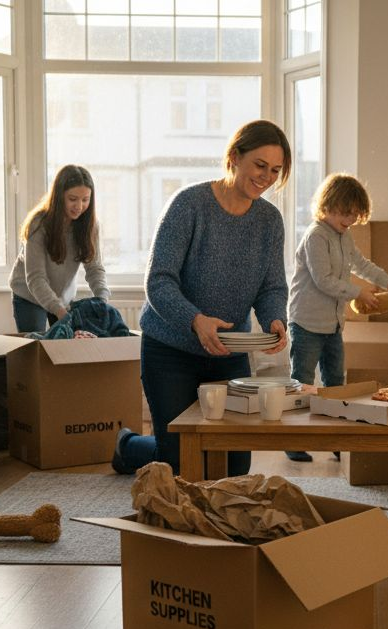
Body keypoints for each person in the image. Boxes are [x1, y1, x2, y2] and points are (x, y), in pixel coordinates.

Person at [112, 120, 291, 477]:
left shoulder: (270, 221)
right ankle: (129, 447)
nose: (267, 177)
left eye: (275, 170)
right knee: (180, 460)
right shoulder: (189, 205)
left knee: (235, 467)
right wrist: (195, 320)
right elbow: (159, 281)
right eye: (260, 165)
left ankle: (135, 446)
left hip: (229, 353)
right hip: (171, 350)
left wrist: (275, 319)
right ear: (235, 156)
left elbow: (272, 286)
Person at [283, 173, 388, 461]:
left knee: (336, 383)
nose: (350, 220)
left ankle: (335, 438)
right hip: (306, 324)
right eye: (346, 213)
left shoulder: (344, 236)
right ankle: (293, 440)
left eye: (355, 215)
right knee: (302, 382)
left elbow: (361, 264)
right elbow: (323, 280)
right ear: (328, 205)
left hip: (333, 326)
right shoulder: (316, 236)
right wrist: (358, 293)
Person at [8, 164, 111, 333]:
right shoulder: (38, 224)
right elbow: (36, 278)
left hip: (63, 296)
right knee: (37, 346)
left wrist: (102, 301)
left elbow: (95, 269)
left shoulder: (91, 226)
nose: (79, 206)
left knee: (67, 343)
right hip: (29, 295)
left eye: (85, 199)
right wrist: (60, 312)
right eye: (73, 199)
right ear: (59, 196)